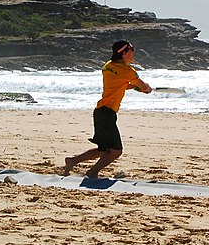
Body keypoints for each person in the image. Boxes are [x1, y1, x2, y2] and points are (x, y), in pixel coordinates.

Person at [64, 40, 152, 179]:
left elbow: (119, 84)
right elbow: (143, 86)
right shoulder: (128, 71)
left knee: (104, 149)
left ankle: (72, 161)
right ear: (124, 53)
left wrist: (134, 86)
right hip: (107, 113)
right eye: (131, 51)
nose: (133, 54)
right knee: (116, 151)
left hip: (101, 111)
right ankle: (92, 172)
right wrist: (146, 89)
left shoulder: (108, 66)